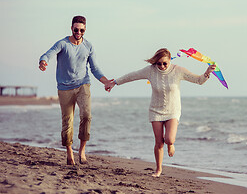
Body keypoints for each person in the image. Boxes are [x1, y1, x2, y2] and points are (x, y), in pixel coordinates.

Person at [105, 48, 216, 177]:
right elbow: (133, 76)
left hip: (173, 110)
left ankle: (170, 144)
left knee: (169, 139)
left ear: (170, 60)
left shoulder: (178, 70)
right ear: (155, 63)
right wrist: (115, 82)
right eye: (159, 64)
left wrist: (207, 73)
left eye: (165, 63)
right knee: (159, 142)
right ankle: (158, 170)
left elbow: (198, 80)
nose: (162, 66)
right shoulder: (150, 71)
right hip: (156, 110)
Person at [39, 15, 112, 165]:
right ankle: (69, 152)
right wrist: (43, 61)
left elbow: (95, 68)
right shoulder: (63, 44)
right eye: (76, 29)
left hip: (83, 84)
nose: (79, 32)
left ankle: (82, 151)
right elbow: (49, 53)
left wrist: (106, 81)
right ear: (71, 28)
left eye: (82, 30)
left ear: (85, 30)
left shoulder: (88, 46)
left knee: (86, 115)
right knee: (68, 121)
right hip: (64, 88)